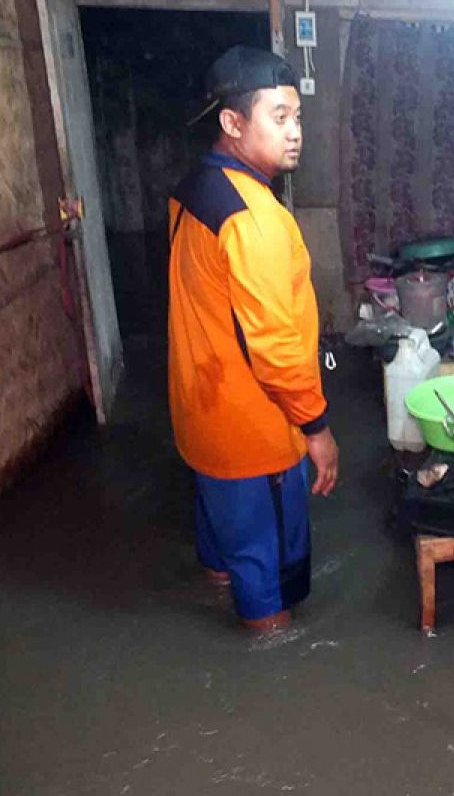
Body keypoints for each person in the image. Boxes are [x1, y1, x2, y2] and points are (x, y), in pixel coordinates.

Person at [167, 46, 338, 633]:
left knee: (226, 562)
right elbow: (276, 347)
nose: (296, 134)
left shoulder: (194, 188)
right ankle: (274, 692)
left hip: (200, 419)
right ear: (233, 123)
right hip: (252, 436)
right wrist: (316, 429)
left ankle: (222, 590)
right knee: (270, 607)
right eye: (279, 118)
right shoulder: (254, 218)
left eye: (297, 117)